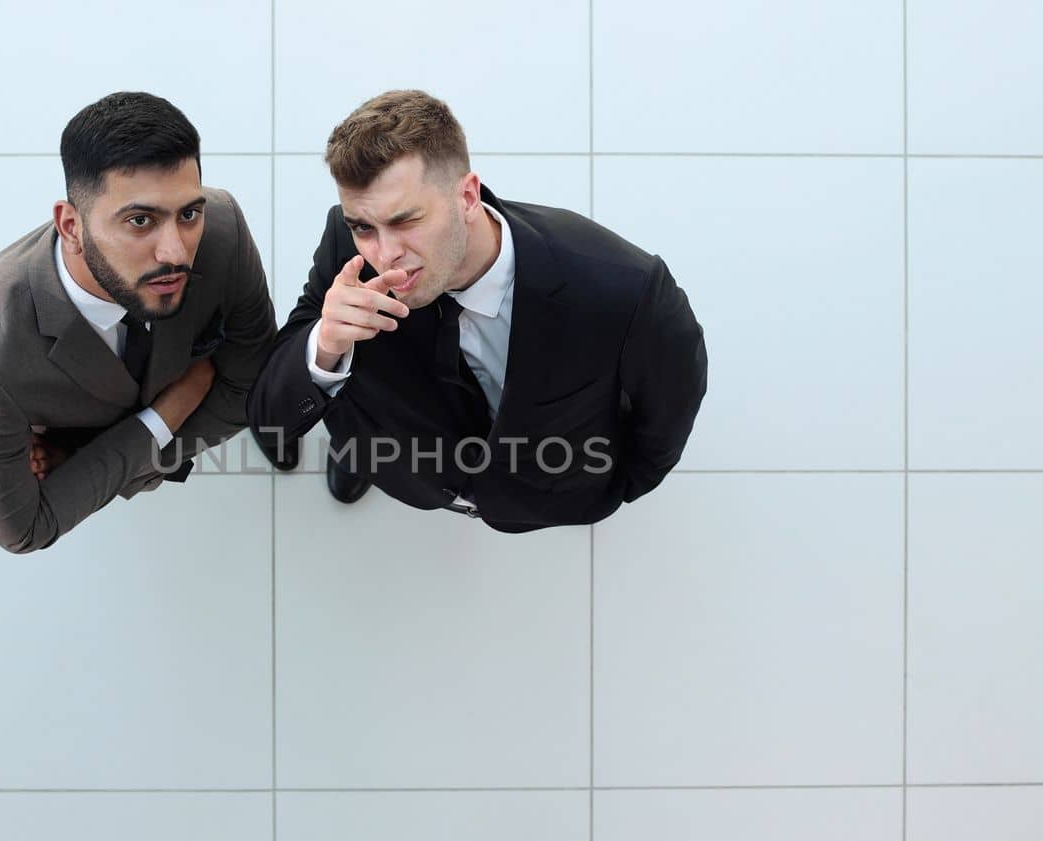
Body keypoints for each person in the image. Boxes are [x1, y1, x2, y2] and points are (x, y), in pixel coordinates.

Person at [248, 90, 706, 533]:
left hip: (543, 486)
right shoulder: (345, 247)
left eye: (406, 220)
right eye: (364, 227)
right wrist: (326, 346)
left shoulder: (624, 287)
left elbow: (669, 408)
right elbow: (270, 415)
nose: (384, 254)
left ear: (467, 197)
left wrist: (613, 487)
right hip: (393, 454)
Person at [0, 91, 275, 553]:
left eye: (188, 214)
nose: (176, 252)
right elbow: (23, 529)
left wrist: (82, 459)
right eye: (140, 221)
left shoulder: (222, 227)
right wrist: (164, 415)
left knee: (273, 402)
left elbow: (250, 381)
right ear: (71, 227)